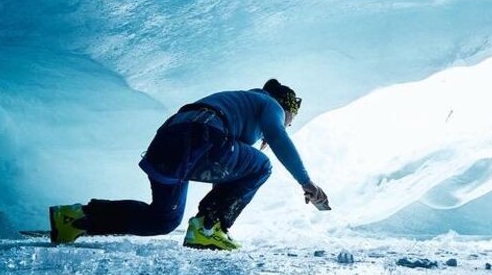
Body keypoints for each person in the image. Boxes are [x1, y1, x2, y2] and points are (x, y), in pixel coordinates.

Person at [49, 78, 328, 250]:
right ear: (287, 107)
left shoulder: (242, 103)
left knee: (163, 219)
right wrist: (306, 182)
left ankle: (77, 218)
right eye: (290, 119)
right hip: (201, 136)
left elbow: (234, 161)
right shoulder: (270, 105)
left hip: (168, 138)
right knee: (262, 165)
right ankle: (209, 226)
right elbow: (278, 138)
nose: (287, 124)